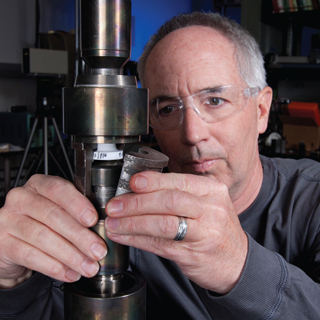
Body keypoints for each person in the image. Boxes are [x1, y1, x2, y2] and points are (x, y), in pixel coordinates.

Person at [0, 11, 320, 320]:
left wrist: (240, 266)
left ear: (262, 110)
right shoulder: (131, 217)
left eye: (214, 100)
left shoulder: (311, 201)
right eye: (168, 108)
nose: (192, 134)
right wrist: (13, 283)